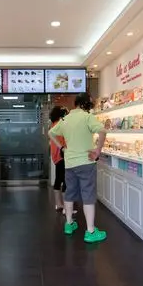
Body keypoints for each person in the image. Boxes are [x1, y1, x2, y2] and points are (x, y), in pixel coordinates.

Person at [49, 92, 107, 243]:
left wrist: (61, 147)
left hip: (69, 163)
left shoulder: (65, 119)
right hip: (86, 162)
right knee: (88, 195)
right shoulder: (87, 117)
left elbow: (51, 133)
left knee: (69, 192)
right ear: (85, 103)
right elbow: (102, 131)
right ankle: (90, 231)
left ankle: (69, 224)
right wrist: (98, 150)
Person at [48, 106, 77, 215]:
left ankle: (59, 204)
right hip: (62, 156)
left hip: (56, 157)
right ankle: (66, 208)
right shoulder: (60, 125)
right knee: (66, 181)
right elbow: (64, 142)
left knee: (58, 180)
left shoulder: (53, 125)